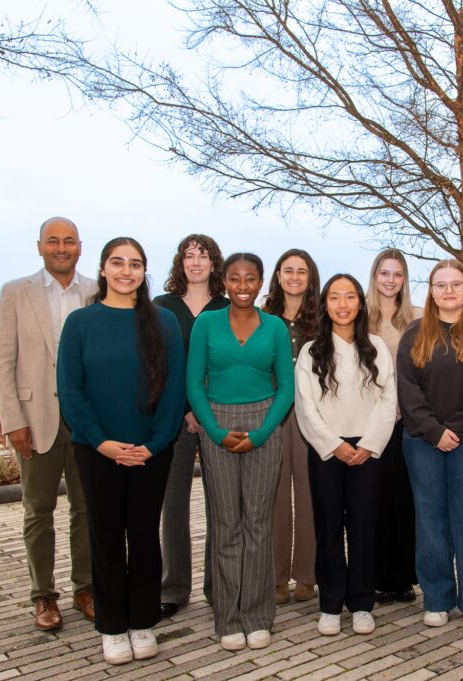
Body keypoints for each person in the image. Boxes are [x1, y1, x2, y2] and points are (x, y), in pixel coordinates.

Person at [57, 237, 185, 664]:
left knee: (145, 535)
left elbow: (173, 390)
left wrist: (153, 443)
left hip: (152, 450)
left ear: (143, 272)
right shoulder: (80, 323)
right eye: (118, 263)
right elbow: (71, 390)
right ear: (104, 269)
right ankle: (112, 626)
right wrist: (102, 442)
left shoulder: (163, 322)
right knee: (107, 535)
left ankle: (143, 620)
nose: (126, 271)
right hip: (97, 450)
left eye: (135, 264)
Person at [0, 216, 95, 631]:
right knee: (38, 510)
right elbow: (1, 363)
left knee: (86, 509)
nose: (61, 248)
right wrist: (13, 420)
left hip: (85, 421)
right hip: (35, 420)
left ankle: (85, 588)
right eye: (53, 241)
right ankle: (42, 595)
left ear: (80, 247)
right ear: (40, 247)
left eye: (69, 241)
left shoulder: (95, 292)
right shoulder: (15, 293)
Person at [187, 253, 295, 651]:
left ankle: (257, 614)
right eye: (235, 278)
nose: (243, 286)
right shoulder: (206, 323)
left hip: (265, 425)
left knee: (258, 524)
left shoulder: (276, 328)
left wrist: (263, 432)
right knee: (227, 525)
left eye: (251, 278)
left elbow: (286, 387)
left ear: (262, 282)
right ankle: (228, 617)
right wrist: (215, 432)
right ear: (225, 282)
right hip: (217, 424)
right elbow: (194, 383)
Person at [396, 259, 463, 631]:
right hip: (422, 443)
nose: (448, 291)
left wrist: (454, 430)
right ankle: (438, 599)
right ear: (431, 290)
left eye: (456, 284)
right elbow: (408, 392)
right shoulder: (414, 334)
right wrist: (433, 431)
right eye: (440, 285)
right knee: (431, 521)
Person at [294, 274, 397, 637]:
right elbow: (305, 407)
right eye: (334, 297)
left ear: (359, 302)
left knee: (364, 526)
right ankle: (331, 603)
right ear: (324, 304)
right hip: (327, 449)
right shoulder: (310, 351)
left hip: (368, 449)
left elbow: (388, 400)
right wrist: (333, 444)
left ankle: (362, 603)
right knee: (328, 527)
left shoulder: (376, 347)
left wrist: (369, 445)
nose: (342, 304)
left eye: (349, 296)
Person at [154, 234, 230, 617]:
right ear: (180, 263)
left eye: (203, 255)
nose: (196, 262)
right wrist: (185, 407)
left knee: (221, 504)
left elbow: (229, 365)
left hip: (218, 417)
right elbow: (158, 366)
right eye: (189, 255)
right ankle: (173, 587)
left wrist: (206, 409)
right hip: (174, 418)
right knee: (174, 503)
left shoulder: (228, 307)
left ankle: (219, 586)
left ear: (215, 263)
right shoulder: (161, 307)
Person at [263, 249, 320, 604]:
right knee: (276, 496)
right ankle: (277, 575)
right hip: (273, 414)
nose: (295, 276)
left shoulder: (322, 319)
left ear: (310, 276)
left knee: (311, 493)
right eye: (288, 270)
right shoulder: (263, 318)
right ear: (279, 275)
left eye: (302, 271)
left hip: (312, 414)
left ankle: (308, 574)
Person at [365, 249, 420, 604]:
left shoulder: (416, 318)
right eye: (384, 273)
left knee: (403, 501)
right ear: (375, 276)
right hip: (367, 421)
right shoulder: (360, 317)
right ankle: (372, 576)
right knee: (371, 501)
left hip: (407, 421)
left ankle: (402, 579)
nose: (390, 280)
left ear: (404, 279)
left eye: (397, 274)